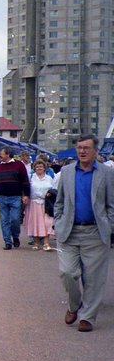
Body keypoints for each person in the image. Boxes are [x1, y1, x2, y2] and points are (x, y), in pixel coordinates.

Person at [53, 134, 114, 332]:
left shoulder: (106, 173)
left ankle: (88, 317)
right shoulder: (67, 171)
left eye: (86, 148)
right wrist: (58, 220)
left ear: (95, 151)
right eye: (79, 147)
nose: (82, 151)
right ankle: (74, 305)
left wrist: (109, 225)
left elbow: (111, 204)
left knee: (94, 278)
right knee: (68, 273)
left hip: (95, 232)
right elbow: (59, 201)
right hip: (69, 232)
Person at [0, 147, 30, 250]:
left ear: (8, 154)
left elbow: (25, 181)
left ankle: (15, 237)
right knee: (4, 220)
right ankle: (7, 242)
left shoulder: (19, 165)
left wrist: (26, 195)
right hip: (1, 197)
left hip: (15, 197)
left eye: (1, 154)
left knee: (15, 219)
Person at [26, 160, 55, 250]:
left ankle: (46, 243)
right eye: (37, 167)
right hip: (34, 203)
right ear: (34, 168)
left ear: (44, 168)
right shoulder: (31, 177)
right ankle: (36, 242)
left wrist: (50, 193)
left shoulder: (49, 178)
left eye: (41, 166)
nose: (39, 168)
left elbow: (54, 189)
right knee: (35, 223)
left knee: (47, 223)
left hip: (46, 203)